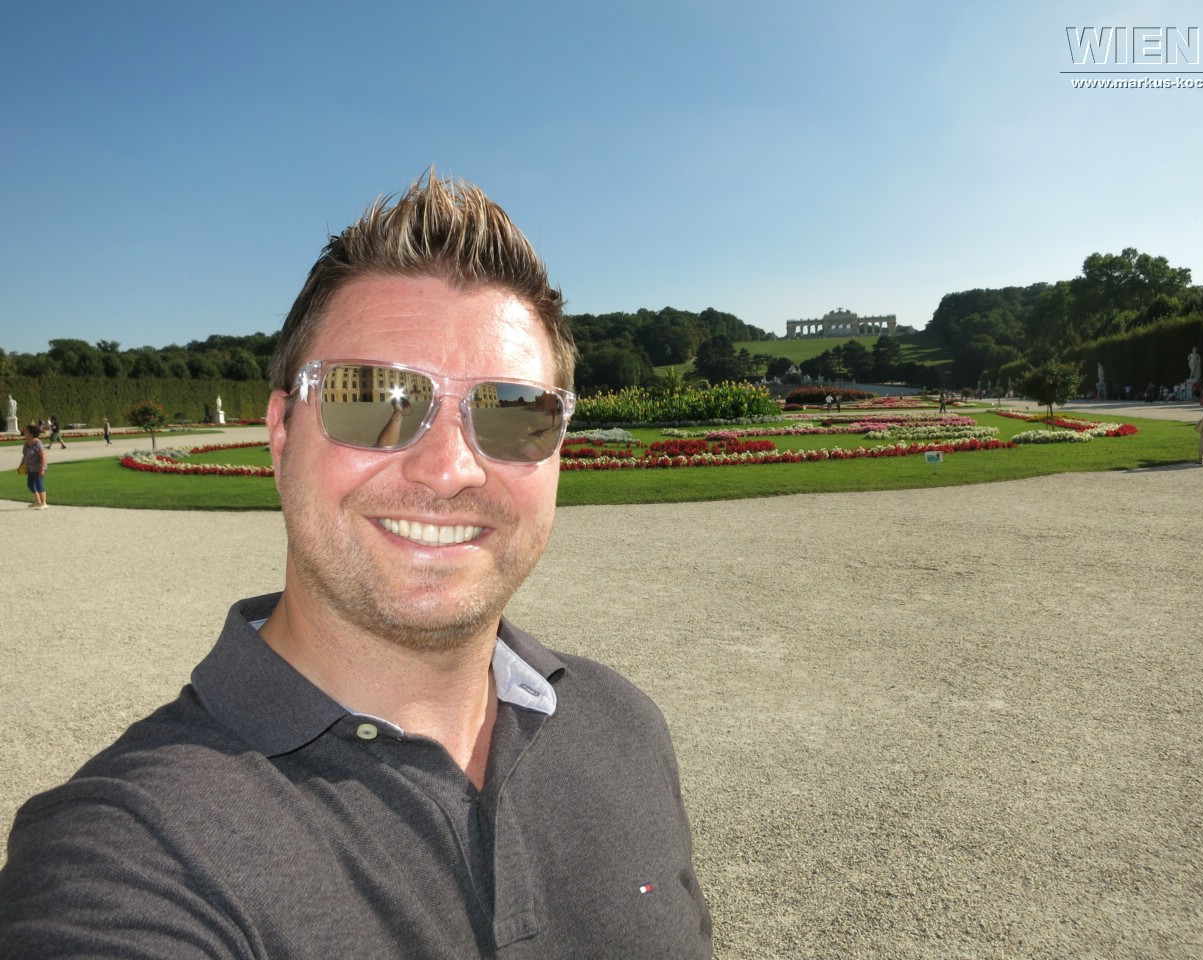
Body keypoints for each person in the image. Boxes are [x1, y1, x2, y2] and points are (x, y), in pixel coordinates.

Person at [0, 173, 713, 957]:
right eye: (373, 398)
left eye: (515, 412)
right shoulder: (132, 851)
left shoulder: (624, 725)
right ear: (281, 434)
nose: (449, 470)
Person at [20, 423, 48, 509]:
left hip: (39, 468)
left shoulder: (37, 443)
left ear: (31, 434)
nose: (24, 433)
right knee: (30, 484)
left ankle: (44, 503)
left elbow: (43, 456)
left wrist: (42, 468)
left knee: (39, 484)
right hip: (31, 468)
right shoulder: (27, 444)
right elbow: (25, 455)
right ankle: (37, 501)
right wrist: (21, 465)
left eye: (26, 432)